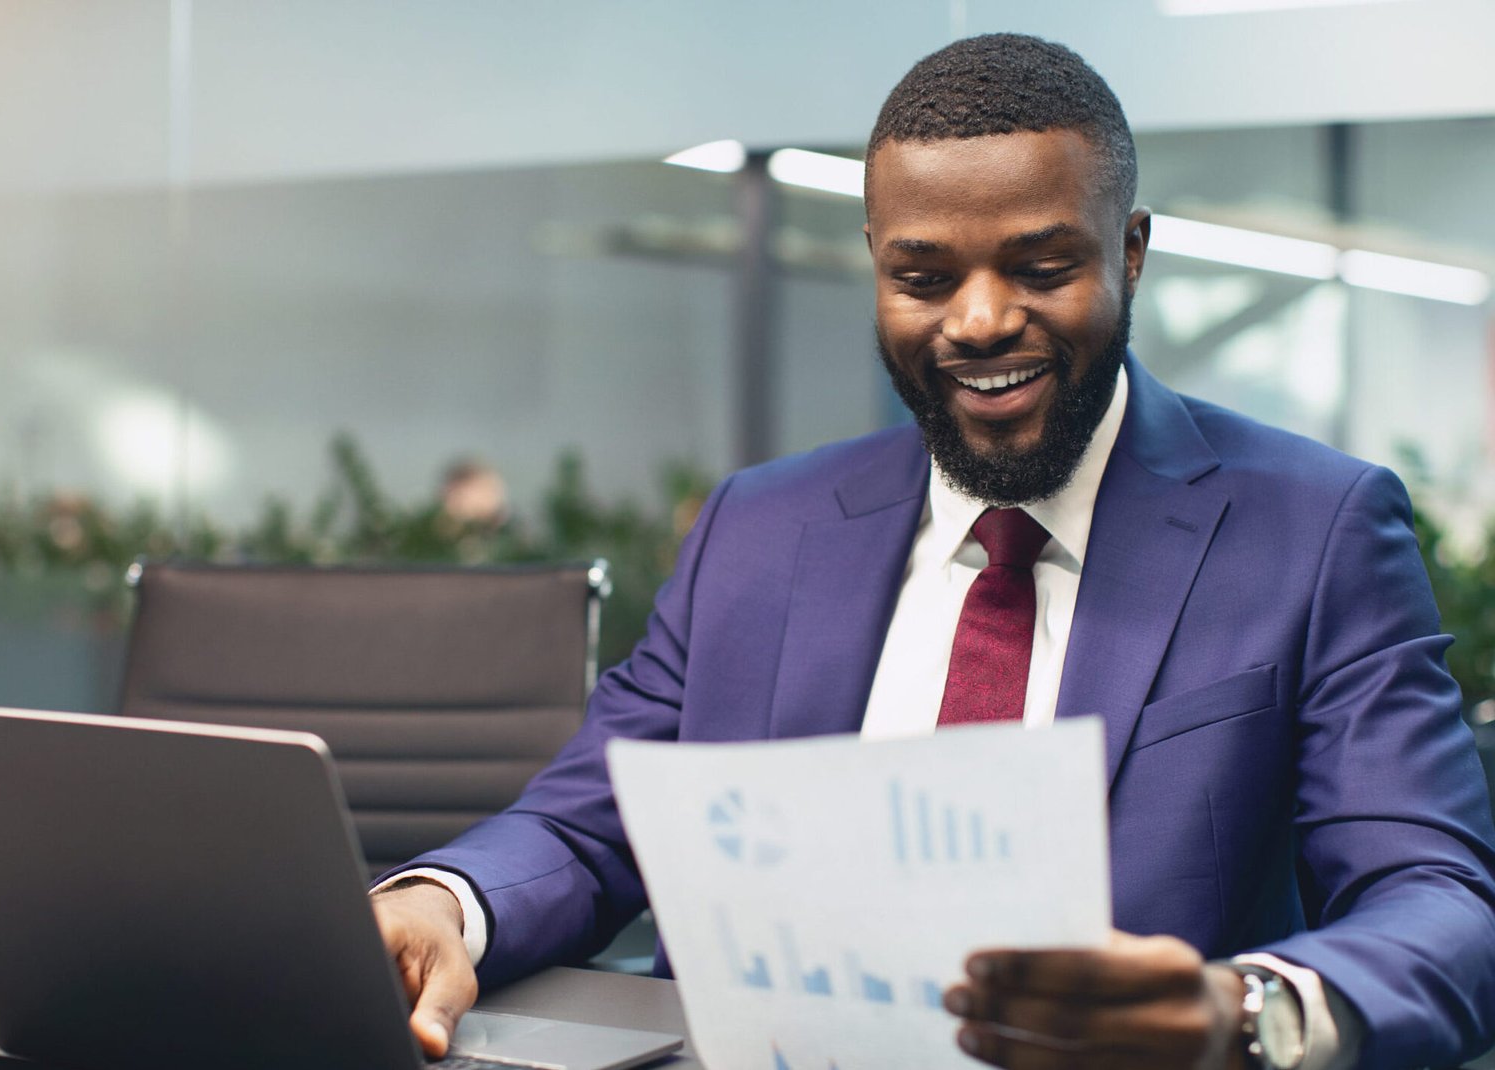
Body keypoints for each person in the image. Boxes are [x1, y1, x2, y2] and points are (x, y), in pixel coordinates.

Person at [370, 33, 1495, 1069]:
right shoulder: (758, 531)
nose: (979, 320)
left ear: (1133, 253)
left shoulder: (1312, 528)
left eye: (1043, 266)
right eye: (924, 277)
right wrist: (440, 902)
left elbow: (1440, 901)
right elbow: (585, 820)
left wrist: (1240, 1009)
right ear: (874, 262)